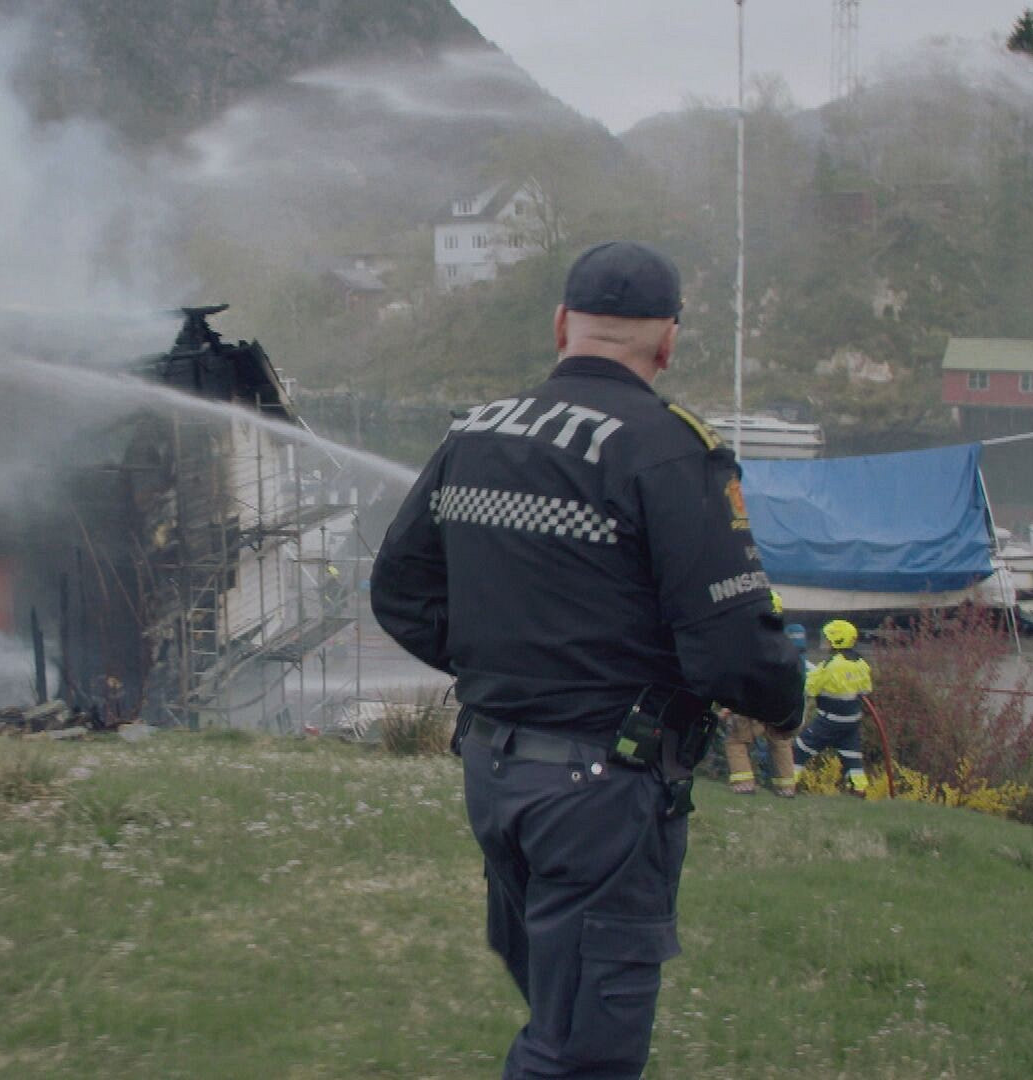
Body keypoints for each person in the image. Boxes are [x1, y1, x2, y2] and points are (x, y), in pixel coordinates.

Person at [370, 241, 805, 1080]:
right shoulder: (672, 451)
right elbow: (731, 646)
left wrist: (507, 669)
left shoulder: (479, 432)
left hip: (496, 773)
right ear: (669, 342)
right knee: (581, 1056)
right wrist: (785, 708)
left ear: (563, 325)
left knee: (559, 1014)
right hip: (601, 794)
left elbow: (400, 593)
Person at [723, 592, 799, 797]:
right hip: (777, 703)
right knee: (780, 742)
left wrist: (729, 703)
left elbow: (739, 672)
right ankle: (786, 788)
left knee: (736, 741)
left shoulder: (747, 641)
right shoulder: (785, 641)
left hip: (750, 702)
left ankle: (744, 784)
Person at [792, 618, 874, 793]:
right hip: (852, 721)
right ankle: (860, 789)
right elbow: (866, 689)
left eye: (828, 638)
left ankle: (788, 784)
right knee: (852, 758)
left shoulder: (830, 665)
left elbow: (810, 689)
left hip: (828, 721)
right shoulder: (861, 663)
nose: (825, 641)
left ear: (836, 640)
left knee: (799, 749)